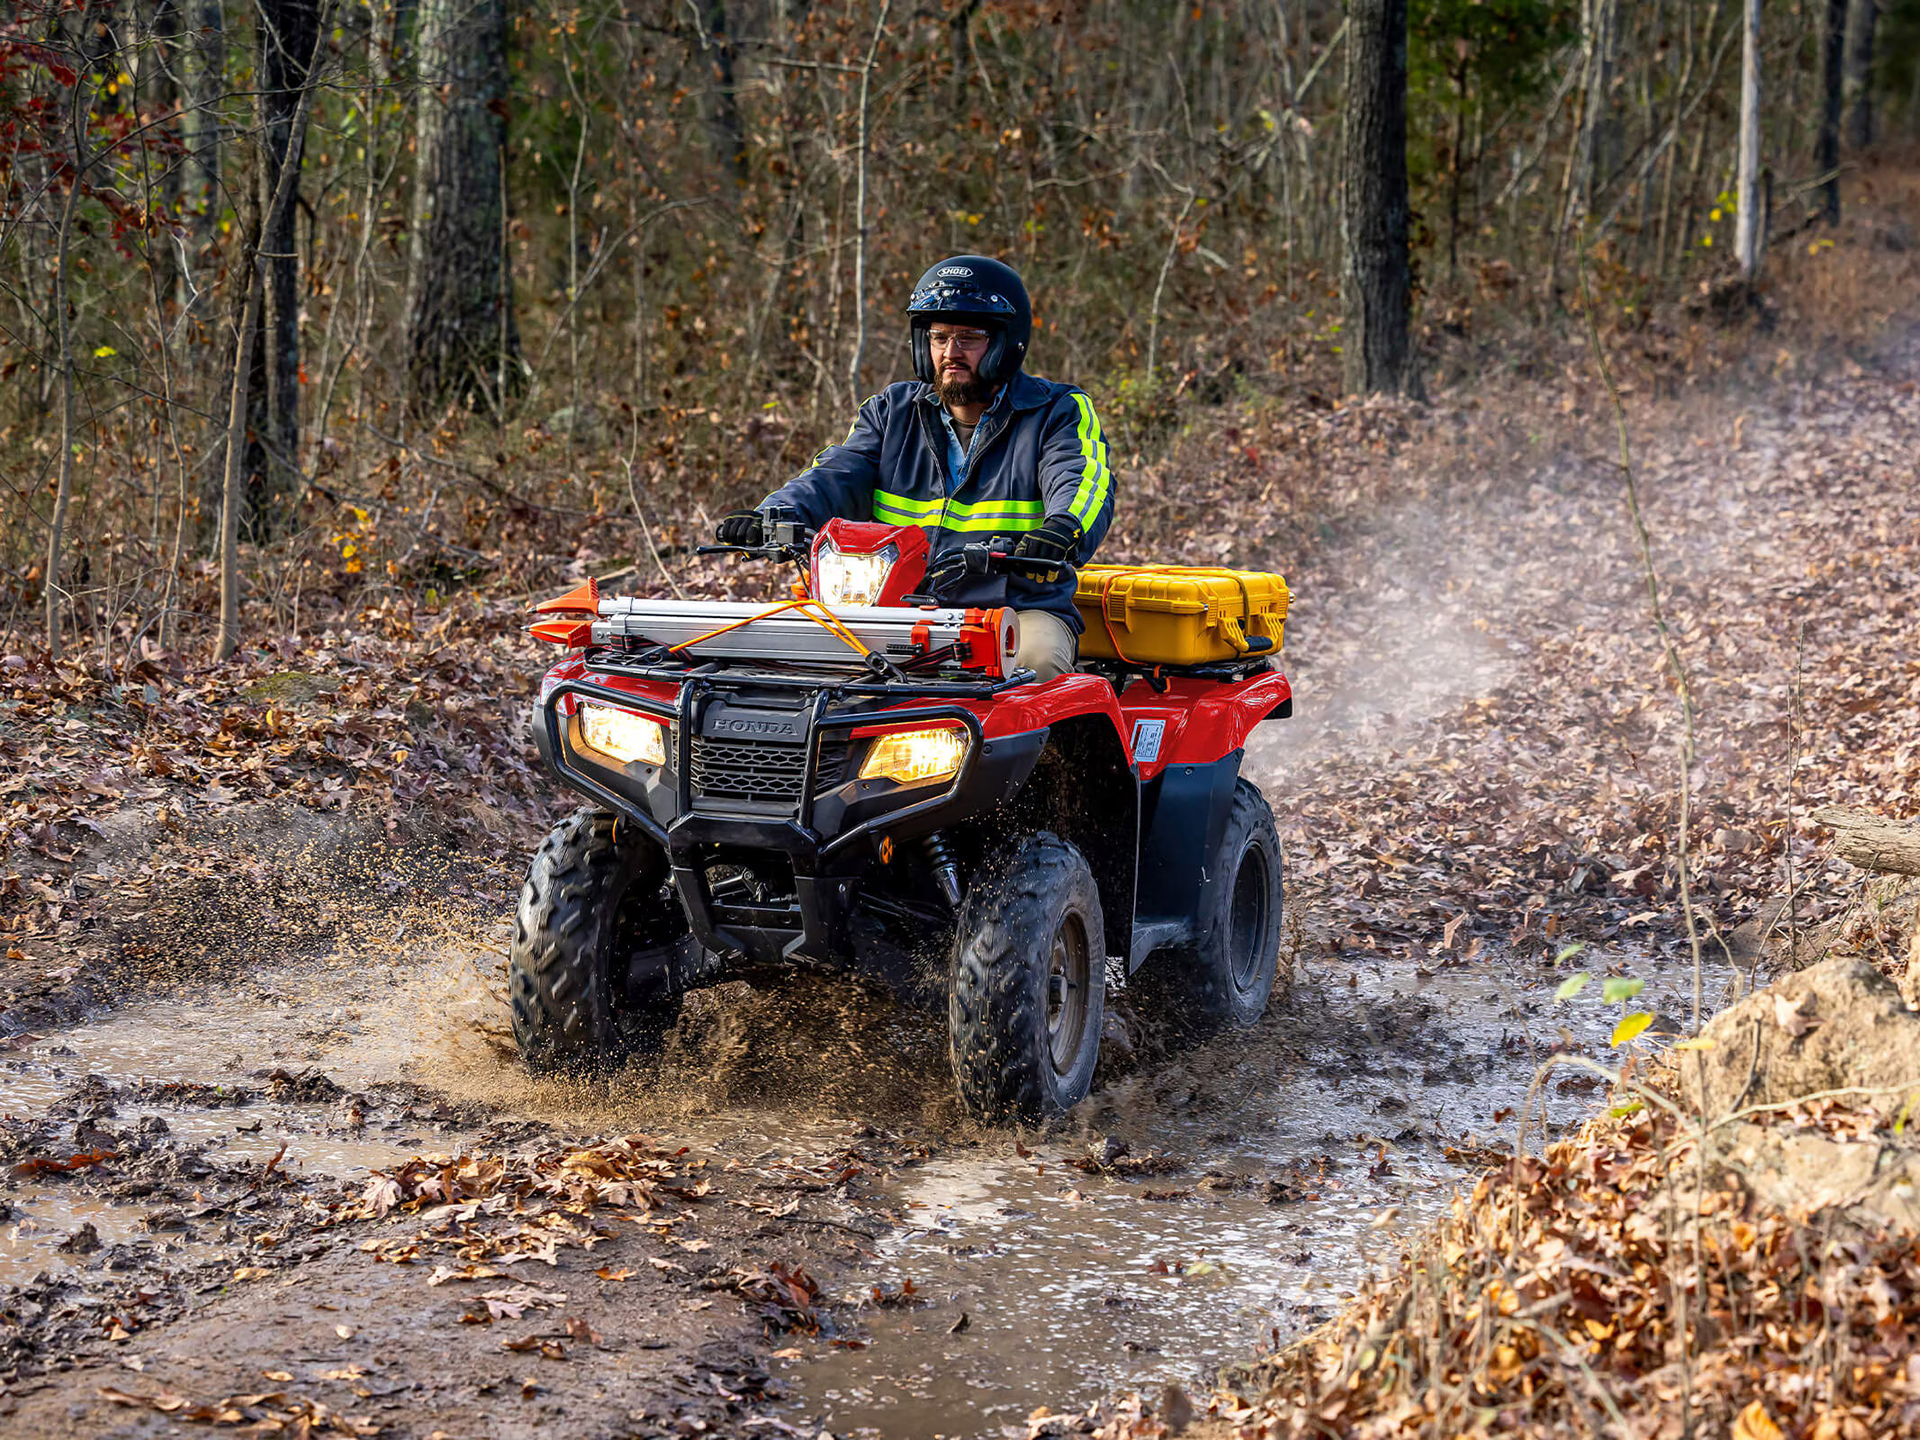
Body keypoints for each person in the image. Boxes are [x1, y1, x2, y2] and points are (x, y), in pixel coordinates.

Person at [715, 256, 1114, 683]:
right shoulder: (891, 411)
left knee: (1035, 672)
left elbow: (1082, 481)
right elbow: (833, 474)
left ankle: (1050, 754)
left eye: (968, 338)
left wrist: (1063, 528)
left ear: (1006, 342)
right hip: (891, 607)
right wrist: (771, 515)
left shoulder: (1055, 412)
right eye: (938, 337)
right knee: (786, 675)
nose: (950, 353)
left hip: (1016, 608)